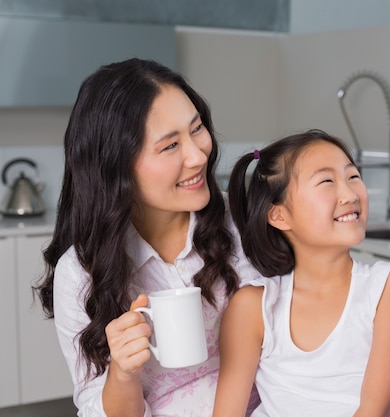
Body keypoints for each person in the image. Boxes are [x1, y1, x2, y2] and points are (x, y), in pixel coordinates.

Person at [35, 58, 259, 417]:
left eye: (197, 128)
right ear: (117, 166)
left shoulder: (242, 224)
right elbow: (95, 405)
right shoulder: (81, 272)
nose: (198, 154)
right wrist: (122, 375)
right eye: (170, 146)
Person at [212, 129, 390, 417]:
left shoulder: (388, 285)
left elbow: (375, 408)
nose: (349, 193)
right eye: (327, 181)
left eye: (353, 176)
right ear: (279, 216)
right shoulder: (254, 306)